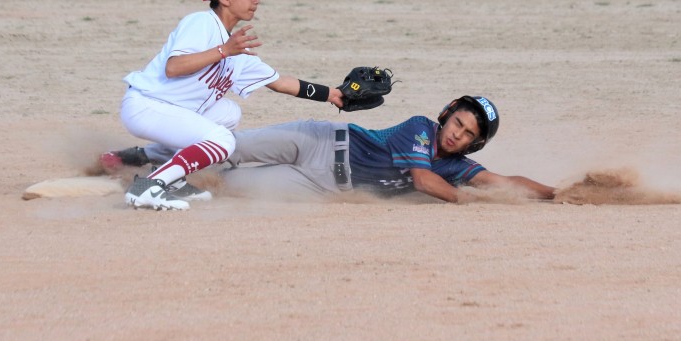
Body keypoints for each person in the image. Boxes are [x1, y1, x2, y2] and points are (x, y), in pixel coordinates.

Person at [117, 0, 344, 211]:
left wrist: (333, 94)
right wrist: (224, 50)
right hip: (145, 105)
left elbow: (281, 83)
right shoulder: (202, 23)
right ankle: (149, 185)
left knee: (228, 114)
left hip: (170, 108)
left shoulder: (236, 50)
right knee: (223, 140)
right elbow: (174, 67)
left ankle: (169, 173)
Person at [108, 96, 556, 204]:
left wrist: (556, 194)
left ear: (474, 142)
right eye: (458, 121)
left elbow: (503, 182)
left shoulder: (456, 166)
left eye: (468, 133)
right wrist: (470, 201)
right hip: (319, 141)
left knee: (230, 185)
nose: (458, 134)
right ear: (446, 115)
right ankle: (146, 156)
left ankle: (160, 183)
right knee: (232, 147)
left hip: (319, 182)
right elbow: (422, 180)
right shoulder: (421, 129)